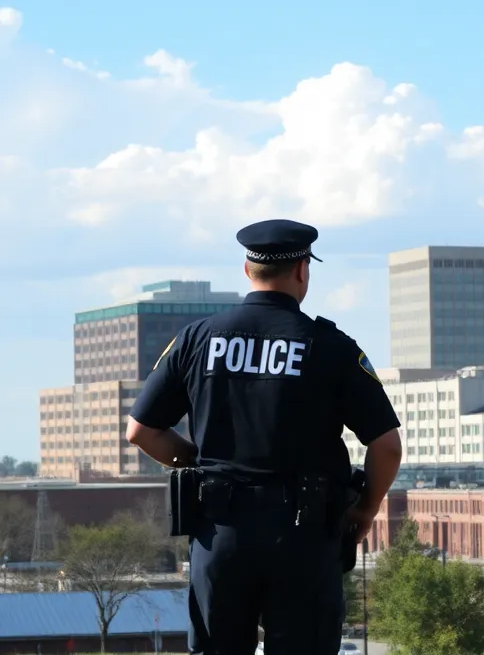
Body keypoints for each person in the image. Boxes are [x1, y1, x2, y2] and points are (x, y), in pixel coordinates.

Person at [125, 219, 403, 655]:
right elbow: (386, 446)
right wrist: (366, 509)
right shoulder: (330, 347)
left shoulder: (197, 339)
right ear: (302, 270)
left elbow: (141, 431)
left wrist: (204, 465)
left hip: (220, 534)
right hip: (304, 539)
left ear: (247, 270)